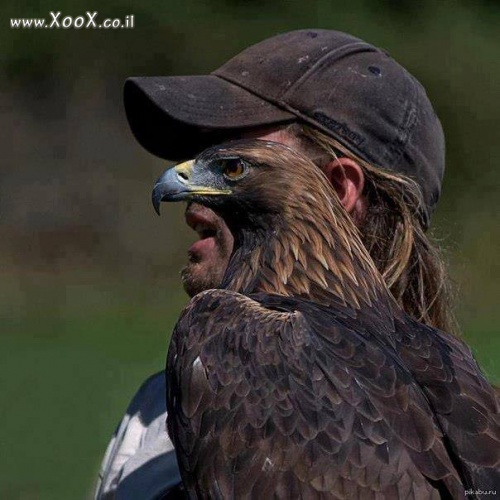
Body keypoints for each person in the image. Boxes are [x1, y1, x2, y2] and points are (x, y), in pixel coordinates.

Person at [95, 29, 455, 499]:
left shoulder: (468, 430)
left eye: (235, 166)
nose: (193, 209)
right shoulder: (154, 414)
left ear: (337, 190)